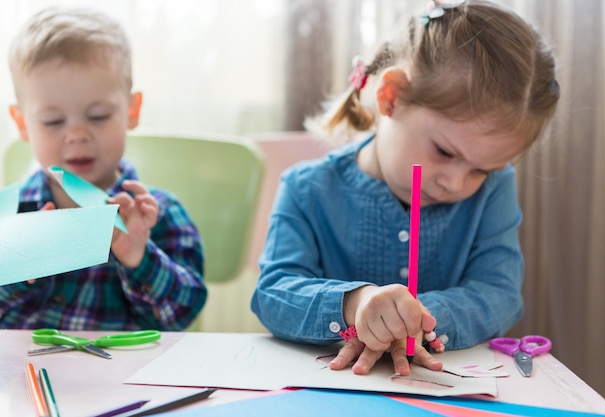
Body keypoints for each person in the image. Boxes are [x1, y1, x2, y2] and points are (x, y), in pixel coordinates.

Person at [251, 0, 559, 376]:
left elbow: (499, 294)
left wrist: (412, 320)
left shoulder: (493, 190)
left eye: (482, 169)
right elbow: (273, 293)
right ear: (391, 96)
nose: (455, 182)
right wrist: (355, 303)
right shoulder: (305, 188)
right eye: (445, 151)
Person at [0, 6, 208, 331]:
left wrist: (139, 256)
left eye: (97, 116)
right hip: (24, 380)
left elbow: (183, 314)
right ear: (22, 124)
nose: (78, 135)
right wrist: (15, 267)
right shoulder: (8, 217)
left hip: (122, 379)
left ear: (132, 110)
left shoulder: (159, 214)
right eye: (53, 121)